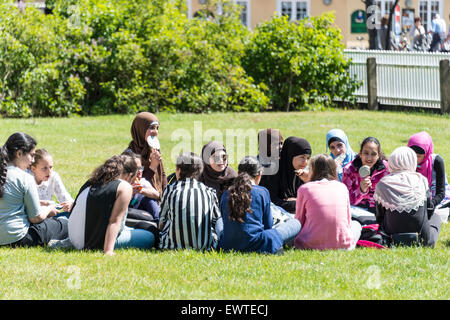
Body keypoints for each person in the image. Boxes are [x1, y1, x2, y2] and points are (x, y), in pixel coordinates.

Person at [68, 154, 155, 255]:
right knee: (149, 237)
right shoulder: (124, 186)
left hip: (74, 238)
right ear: (129, 175)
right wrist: (108, 251)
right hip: (93, 243)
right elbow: (114, 221)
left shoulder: (92, 181)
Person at [218, 156, 301, 254]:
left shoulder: (226, 193)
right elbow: (268, 225)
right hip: (257, 244)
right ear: (259, 174)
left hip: (228, 245)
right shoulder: (262, 192)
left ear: (238, 174)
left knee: (219, 221)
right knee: (296, 223)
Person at [0, 132, 68, 247]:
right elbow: (36, 218)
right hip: (17, 238)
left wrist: (39, 203)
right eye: (31, 155)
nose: (32, 160)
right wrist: (49, 209)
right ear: (19, 153)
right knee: (63, 223)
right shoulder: (24, 177)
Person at [374, 146, 442, 247]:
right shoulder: (421, 180)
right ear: (412, 161)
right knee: (436, 217)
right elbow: (429, 209)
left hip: (390, 238)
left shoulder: (383, 184)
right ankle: (428, 240)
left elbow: (379, 216)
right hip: (422, 239)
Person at [294, 154, 361, 250]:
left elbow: (299, 220)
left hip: (309, 244)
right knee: (357, 225)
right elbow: (348, 221)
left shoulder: (304, 189)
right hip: (343, 244)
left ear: (312, 169)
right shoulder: (342, 187)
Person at [159, 152, 221, 250]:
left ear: (178, 170)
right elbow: (216, 220)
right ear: (199, 171)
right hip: (205, 246)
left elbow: (161, 221)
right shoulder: (209, 191)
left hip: (172, 245)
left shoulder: (170, 189)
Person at [259, 136, 312, 214]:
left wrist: (308, 181)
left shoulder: (303, 173)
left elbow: (313, 200)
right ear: (290, 155)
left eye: (308, 158)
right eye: (302, 157)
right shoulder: (272, 172)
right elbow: (270, 202)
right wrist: (299, 203)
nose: (305, 162)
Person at [342, 137, 389, 215]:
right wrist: (361, 190)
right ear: (360, 154)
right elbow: (346, 199)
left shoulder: (386, 169)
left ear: (378, 155)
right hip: (357, 209)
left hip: (380, 210)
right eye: (366, 153)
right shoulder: (349, 169)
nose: (369, 158)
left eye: (373, 154)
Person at [407, 132, 449, 218]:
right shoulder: (406, 160)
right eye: (412, 155)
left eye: (418, 156)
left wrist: (431, 204)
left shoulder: (436, 161)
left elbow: (441, 192)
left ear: (426, 154)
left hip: (436, 199)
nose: (414, 159)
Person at [126, 112, 167, 198]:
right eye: (151, 128)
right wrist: (152, 167)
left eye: (157, 128)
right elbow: (138, 185)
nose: (155, 132)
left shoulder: (153, 148)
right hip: (138, 199)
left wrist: (167, 194)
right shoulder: (129, 155)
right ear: (141, 129)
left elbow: (162, 174)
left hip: (157, 195)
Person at [30, 149, 74, 214]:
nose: (49, 172)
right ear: (33, 169)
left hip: (48, 216)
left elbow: (64, 196)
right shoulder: (26, 180)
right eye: (44, 168)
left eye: (50, 167)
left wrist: (70, 204)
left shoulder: (53, 177)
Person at [122, 149, 160, 224]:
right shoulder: (121, 183)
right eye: (136, 169)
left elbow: (157, 195)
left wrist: (141, 190)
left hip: (138, 216)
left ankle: (158, 223)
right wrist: (129, 192)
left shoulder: (142, 182)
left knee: (148, 198)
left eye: (141, 168)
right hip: (123, 216)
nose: (140, 172)